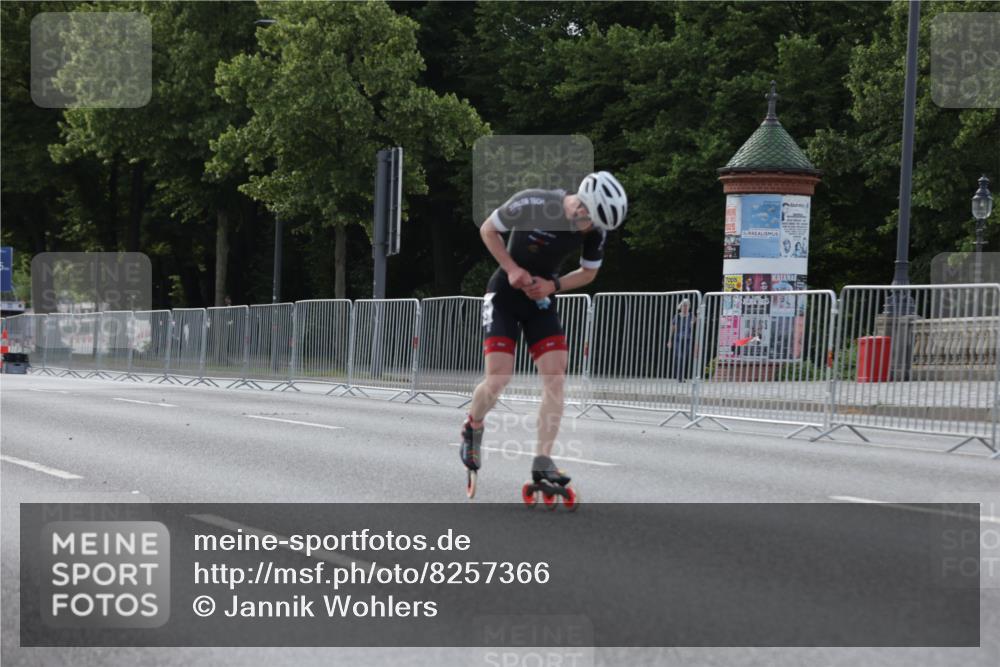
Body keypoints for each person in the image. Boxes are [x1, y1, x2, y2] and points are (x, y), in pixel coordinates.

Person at [460, 171, 627, 493]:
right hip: (504, 294)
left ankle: (542, 460)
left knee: (556, 377)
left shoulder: (596, 229)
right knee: (498, 378)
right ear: (581, 205)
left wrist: (554, 285)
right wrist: (512, 269)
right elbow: (488, 230)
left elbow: (589, 273)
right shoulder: (534, 202)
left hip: (540, 298)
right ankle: (473, 424)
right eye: (590, 221)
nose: (591, 229)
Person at [668, 298, 694, 382]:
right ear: (681, 306)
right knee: (679, 357)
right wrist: (670, 340)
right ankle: (679, 376)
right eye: (684, 306)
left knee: (684, 358)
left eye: (687, 306)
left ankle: (681, 376)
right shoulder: (677, 316)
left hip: (688, 339)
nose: (685, 307)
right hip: (678, 339)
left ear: (689, 306)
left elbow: (697, 321)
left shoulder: (691, 315)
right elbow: (672, 329)